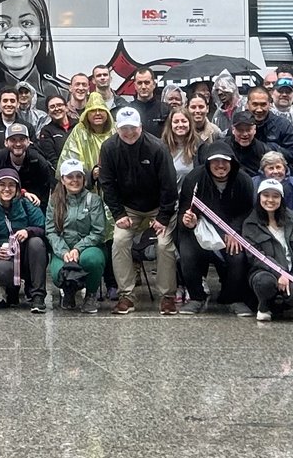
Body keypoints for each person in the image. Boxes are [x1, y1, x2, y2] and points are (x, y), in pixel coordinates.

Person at [98, 105, 178, 315]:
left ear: (141, 127)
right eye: (124, 128)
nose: (129, 132)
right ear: (117, 128)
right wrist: (118, 214)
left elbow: (169, 186)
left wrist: (163, 217)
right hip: (128, 209)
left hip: (158, 207)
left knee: (164, 245)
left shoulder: (157, 148)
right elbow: (107, 184)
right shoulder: (108, 148)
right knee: (120, 241)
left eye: (133, 127)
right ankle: (126, 296)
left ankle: (167, 296)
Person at [175, 141, 255, 315]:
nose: (220, 165)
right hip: (200, 228)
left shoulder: (243, 180)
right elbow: (184, 209)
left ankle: (232, 298)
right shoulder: (194, 178)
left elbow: (248, 211)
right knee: (187, 254)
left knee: (237, 256)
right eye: (215, 161)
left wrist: (234, 231)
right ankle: (197, 297)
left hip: (230, 230)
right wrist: (189, 219)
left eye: (224, 161)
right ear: (208, 163)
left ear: (232, 162)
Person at [0, 165, 50, 310]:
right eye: (2, 185)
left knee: (36, 243)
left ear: (17, 188)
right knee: (2, 268)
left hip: (27, 255)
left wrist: (28, 231)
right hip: (7, 255)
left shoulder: (26, 203)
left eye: (11, 185)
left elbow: (43, 227)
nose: (7, 189)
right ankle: (11, 290)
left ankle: (37, 295)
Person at [239, 175, 293, 323]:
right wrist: (280, 272)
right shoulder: (250, 223)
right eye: (265, 195)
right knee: (264, 283)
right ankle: (264, 305)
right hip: (264, 271)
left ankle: (289, 304)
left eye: (275, 196)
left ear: (281, 199)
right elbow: (255, 257)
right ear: (259, 197)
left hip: (291, 270)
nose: (270, 200)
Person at [49, 157, 110, 312]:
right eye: (70, 177)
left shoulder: (94, 200)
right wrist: (64, 252)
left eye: (78, 176)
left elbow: (98, 231)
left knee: (92, 260)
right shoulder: (54, 201)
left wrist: (78, 248)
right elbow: (51, 230)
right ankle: (68, 292)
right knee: (57, 273)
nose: (74, 180)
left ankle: (90, 295)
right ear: (62, 179)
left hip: (89, 248)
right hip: (63, 249)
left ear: (84, 178)